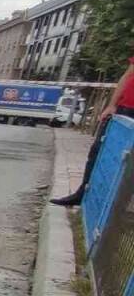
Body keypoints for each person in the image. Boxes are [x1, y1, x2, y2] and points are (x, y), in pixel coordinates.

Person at [52, 57, 134, 206]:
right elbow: (128, 75)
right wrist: (112, 105)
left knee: (127, 161)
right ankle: (83, 193)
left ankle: (117, 206)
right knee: (99, 152)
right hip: (123, 109)